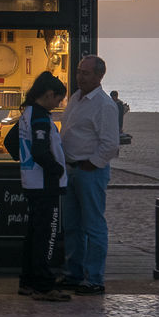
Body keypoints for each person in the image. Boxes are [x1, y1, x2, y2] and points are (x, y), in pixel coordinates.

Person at [59, 55, 120, 296]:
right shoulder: (75, 98)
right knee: (72, 225)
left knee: (93, 225)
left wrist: (91, 165)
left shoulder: (104, 105)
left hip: (89, 172)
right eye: (78, 72)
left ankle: (95, 278)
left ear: (99, 76)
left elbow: (110, 145)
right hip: (71, 169)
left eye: (85, 73)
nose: (80, 77)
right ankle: (74, 274)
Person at [13, 72, 70, 302]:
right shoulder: (39, 116)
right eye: (58, 99)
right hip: (45, 184)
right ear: (48, 94)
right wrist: (56, 169)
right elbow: (39, 150)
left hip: (31, 181)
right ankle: (44, 285)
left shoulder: (26, 113)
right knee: (45, 236)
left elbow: (10, 141)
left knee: (33, 234)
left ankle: (27, 281)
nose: (59, 104)